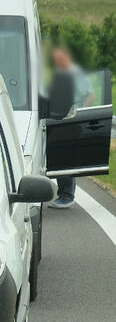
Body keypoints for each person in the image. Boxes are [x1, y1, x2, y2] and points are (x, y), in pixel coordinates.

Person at [48, 46, 96, 209]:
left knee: (65, 157)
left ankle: (67, 195)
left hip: (71, 117)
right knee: (59, 156)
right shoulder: (61, 73)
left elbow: (91, 95)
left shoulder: (75, 73)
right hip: (61, 117)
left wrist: (80, 114)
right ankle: (63, 193)